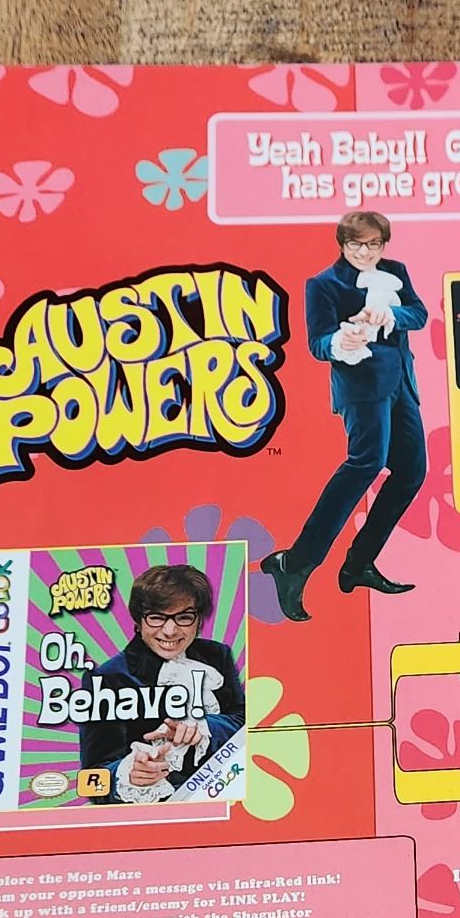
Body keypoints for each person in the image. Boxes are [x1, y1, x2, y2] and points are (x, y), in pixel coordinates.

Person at [261, 211, 430, 618]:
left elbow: (419, 314)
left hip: (402, 385)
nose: (365, 252)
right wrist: (342, 339)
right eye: (356, 244)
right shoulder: (322, 284)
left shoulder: (395, 271)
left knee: (412, 471)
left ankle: (359, 563)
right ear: (342, 244)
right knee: (366, 463)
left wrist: (392, 315)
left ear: (383, 245)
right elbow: (317, 343)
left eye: (373, 245)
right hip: (361, 387)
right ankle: (296, 563)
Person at [78, 564, 246, 805]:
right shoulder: (106, 678)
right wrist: (128, 773)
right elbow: (92, 778)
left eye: (184, 617)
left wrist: (204, 728)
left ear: (199, 620)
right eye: (156, 617)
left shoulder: (217, 654)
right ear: (138, 621)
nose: (170, 631)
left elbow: (243, 721)